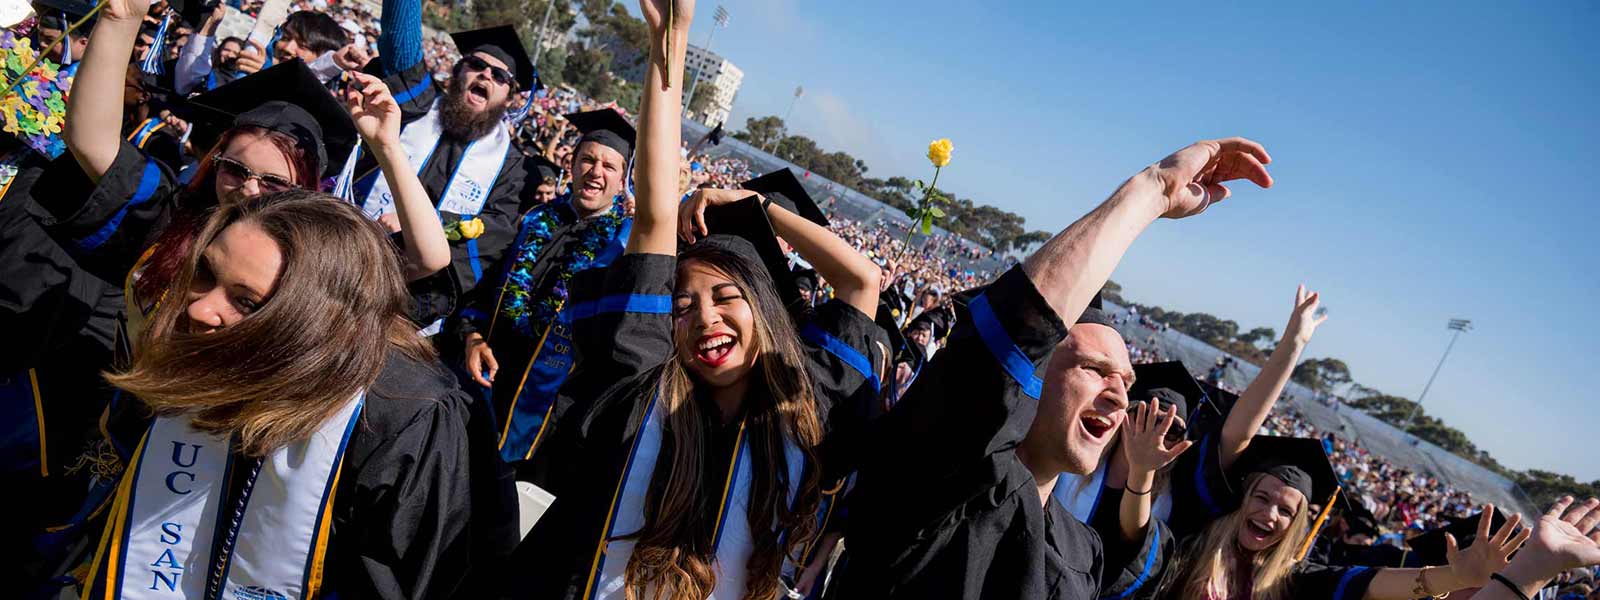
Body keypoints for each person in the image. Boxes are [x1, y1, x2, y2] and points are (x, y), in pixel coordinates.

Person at [497, 3, 893, 597]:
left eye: (726, 297)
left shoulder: (799, 411)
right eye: (682, 305)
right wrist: (670, 43)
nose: (704, 316)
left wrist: (759, 209)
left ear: (763, 310)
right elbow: (657, 208)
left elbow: (862, 283)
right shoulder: (648, 383)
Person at [831, 137, 1276, 599]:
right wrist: (1153, 190)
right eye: (1093, 368)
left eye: (1125, 382)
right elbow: (1009, 340)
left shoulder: (1081, 552)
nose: (1120, 395)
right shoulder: (936, 487)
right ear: (1030, 376)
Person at [79, 191, 490, 599]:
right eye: (205, 272)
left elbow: (408, 582)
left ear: (316, 323)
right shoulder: (192, 348)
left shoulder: (403, 416)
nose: (200, 310)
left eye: (246, 301)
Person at [1063, 284, 1329, 542]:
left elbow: (1237, 433)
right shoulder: (1072, 455)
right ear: (1123, 417)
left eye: (1173, 429)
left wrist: (1293, 344)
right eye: (1147, 417)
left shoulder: (1180, 490)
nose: (1158, 433)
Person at [457, 109, 636, 467]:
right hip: (475, 385)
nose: (595, 172)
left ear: (622, 183)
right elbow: (483, 289)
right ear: (571, 165)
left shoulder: (623, 248)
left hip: (546, 423)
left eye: (609, 166)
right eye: (588, 160)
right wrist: (471, 337)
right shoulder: (531, 220)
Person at [345, 0, 536, 336]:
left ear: (510, 97)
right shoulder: (416, 104)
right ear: (457, 71)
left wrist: (419, 229)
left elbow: (494, 233)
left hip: (405, 307)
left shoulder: (511, 167)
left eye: (499, 76)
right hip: (343, 253)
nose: (485, 75)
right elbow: (398, 41)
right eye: (476, 64)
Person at [1158, 435, 1531, 599]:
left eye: (1286, 510)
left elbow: (1371, 584)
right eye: (1262, 498)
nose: (1270, 514)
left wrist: (1455, 576)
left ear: (1295, 526)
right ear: (1243, 498)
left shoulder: (1291, 581)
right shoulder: (1193, 539)